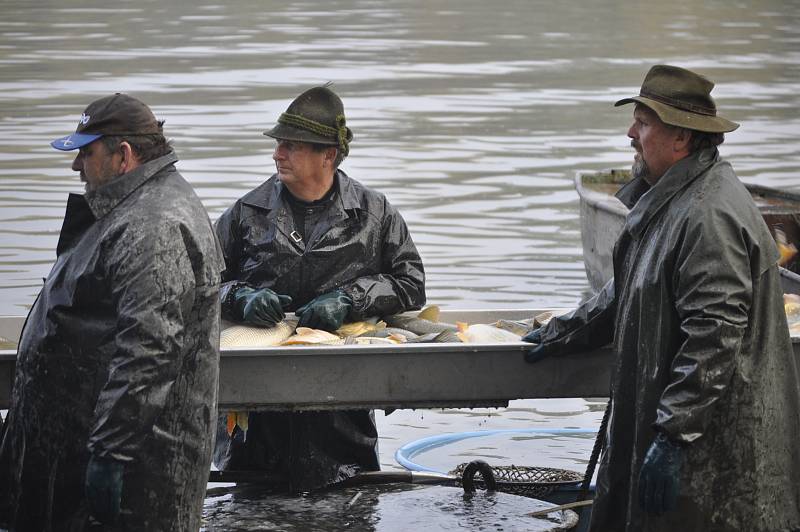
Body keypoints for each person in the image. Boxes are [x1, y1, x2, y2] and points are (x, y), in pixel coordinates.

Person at [524, 65, 800, 531]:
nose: (631, 134)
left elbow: (713, 340)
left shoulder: (709, 215)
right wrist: (564, 331)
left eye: (644, 123)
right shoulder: (672, 198)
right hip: (682, 435)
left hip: (716, 458)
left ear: (682, 139)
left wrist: (673, 435)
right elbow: (628, 289)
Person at [0, 93, 224, 530]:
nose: (75, 166)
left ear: (124, 155)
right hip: (78, 451)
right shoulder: (128, 207)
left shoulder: (154, 223)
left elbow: (149, 350)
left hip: (136, 473)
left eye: (86, 152)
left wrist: (110, 454)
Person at [213, 86, 426, 492]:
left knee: (348, 506)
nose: (277, 154)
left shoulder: (374, 214)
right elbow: (199, 282)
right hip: (255, 427)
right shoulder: (245, 212)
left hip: (342, 426)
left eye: (290, 146)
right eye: (278, 145)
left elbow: (411, 283)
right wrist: (239, 296)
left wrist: (351, 299)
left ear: (328, 154)